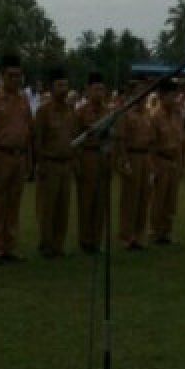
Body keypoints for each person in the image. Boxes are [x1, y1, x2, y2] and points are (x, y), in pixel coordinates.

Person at [0, 53, 33, 264]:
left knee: (14, 203)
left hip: (18, 156)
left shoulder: (24, 100)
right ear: (2, 76)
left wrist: (28, 159)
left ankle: (10, 246)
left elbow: (28, 129)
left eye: (19, 76)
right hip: (0, 155)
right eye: (11, 76)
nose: (16, 80)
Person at [33, 67, 78, 258]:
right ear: (51, 88)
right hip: (49, 164)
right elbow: (37, 140)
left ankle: (59, 245)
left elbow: (74, 137)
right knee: (47, 207)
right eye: (59, 85)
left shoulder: (70, 111)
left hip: (66, 164)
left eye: (66, 85)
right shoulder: (43, 111)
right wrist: (39, 164)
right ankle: (46, 244)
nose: (64, 89)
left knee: (63, 207)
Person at [115, 79, 155, 250]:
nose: (143, 96)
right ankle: (126, 236)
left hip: (145, 157)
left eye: (145, 92)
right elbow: (121, 140)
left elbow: (152, 140)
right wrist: (124, 161)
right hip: (132, 156)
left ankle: (139, 235)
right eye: (139, 92)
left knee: (143, 198)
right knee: (130, 198)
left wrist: (152, 163)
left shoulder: (147, 114)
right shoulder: (126, 114)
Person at [74, 71, 110, 253]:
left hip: (103, 157)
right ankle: (85, 240)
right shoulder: (80, 112)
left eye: (102, 90)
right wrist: (78, 163)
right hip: (87, 156)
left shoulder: (108, 112)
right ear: (88, 90)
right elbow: (75, 139)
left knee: (100, 201)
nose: (99, 93)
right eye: (96, 89)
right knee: (86, 201)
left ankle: (97, 240)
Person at [148, 79, 184, 245]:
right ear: (162, 96)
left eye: (175, 95)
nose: (174, 99)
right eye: (171, 95)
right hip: (161, 160)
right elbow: (152, 145)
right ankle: (155, 231)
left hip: (174, 161)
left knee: (171, 199)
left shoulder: (177, 115)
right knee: (159, 199)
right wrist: (153, 167)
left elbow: (180, 139)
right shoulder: (155, 116)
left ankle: (166, 231)